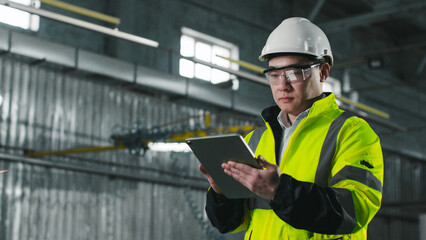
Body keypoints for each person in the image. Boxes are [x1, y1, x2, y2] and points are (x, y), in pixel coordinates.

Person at [198, 17, 383, 239]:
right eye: (274, 75)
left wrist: (280, 192)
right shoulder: (255, 140)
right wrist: (222, 193)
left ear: (323, 72)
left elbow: (355, 211)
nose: (282, 85)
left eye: (295, 73)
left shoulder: (351, 132)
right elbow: (231, 224)